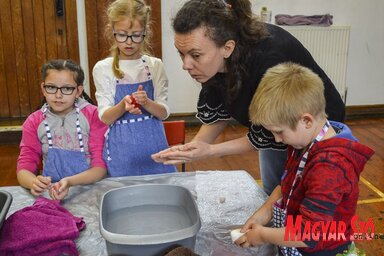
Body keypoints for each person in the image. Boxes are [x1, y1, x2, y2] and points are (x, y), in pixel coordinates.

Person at [151, 0, 345, 195]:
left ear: (227, 48)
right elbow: (220, 111)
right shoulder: (211, 62)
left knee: (303, 195)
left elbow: (270, 134)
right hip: (279, 127)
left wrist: (210, 151)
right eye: (181, 54)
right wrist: (195, 148)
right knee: (274, 192)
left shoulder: (269, 59)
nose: (186, 64)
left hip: (313, 128)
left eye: (195, 55)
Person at [234, 62, 374, 255]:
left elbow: (310, 234)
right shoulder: (303, 141)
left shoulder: (330, 166)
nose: (277, 139)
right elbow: (285, 186)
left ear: (306, 120)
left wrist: (264, 235)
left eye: (279, 132)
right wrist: (262, 214)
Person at [93, 0, 176, 176]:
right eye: (122, 35)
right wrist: (123, 105)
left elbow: (163, 113)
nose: (129, 42)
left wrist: (147, 103)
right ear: (112, 31)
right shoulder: (103, 68)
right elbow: (105, 117)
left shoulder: (155, 66)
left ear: (145, 32)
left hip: (154, 149)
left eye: (136, 35)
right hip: (121, 153)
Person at [17, 59, 108, 200]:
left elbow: (100, 168)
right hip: (52, 192)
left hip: (91, 189)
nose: (58, 95)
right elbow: (24, 167)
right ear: (43, 89)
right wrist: (33, 182)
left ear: (78, 91)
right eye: (51, 87)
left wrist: (69, 182)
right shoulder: (33, 122)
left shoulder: (94, 116)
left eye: (66, 88)